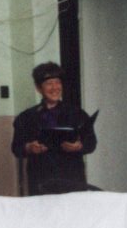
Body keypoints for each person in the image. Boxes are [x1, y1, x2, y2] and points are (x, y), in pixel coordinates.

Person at [11, 62, 98, 195]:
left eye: (58, 82)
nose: (55, 88)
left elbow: (91, 143)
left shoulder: (77, 114)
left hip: (72, 179)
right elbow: (16, 148)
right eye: (49, 83)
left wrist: (79, 146)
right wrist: (29, 147)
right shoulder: (26, 117)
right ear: (38, 88)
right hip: (41, 180)